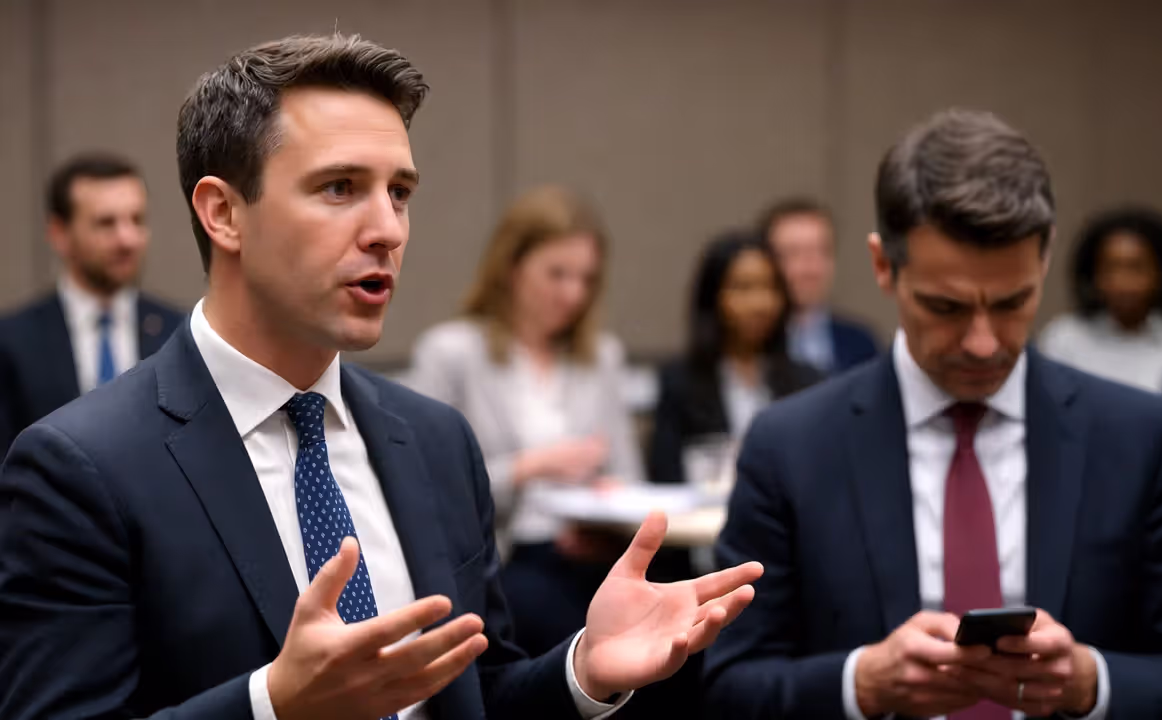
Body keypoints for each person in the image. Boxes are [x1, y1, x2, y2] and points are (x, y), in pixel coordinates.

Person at [0, 34, 762, 720]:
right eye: (339, 188)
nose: (388, 229)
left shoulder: (433, 441)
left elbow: (475, 691)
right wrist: (273, 706)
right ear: (223, 213)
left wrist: (581, 671)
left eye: (399, 192)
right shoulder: (82, 467)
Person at [704, 109, 1162, 719]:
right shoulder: (790, 446)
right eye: (946, 307)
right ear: (882, 266)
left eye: (1013, 302)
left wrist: (1091, 684)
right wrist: (860, 685)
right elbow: (729, 688)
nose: (983, 342)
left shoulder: (1140, 437)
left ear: (1046, 257)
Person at [406, 185, 645, 657]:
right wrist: (528, 467)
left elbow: (630, 478)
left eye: (586, 279)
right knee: (571, 627)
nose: (573, 293)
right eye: (557, 274)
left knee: (676, 619)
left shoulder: (601, 357)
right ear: (511, 268)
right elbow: (425, 487)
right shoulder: (452, 353)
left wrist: (608, 511)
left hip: (591, 551)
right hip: (505, 557)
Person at [0, 153, 183, 456]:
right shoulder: (14, 343)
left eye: (136, 220)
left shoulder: (178, 333)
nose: (127, 239)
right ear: (59, 234)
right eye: (106, 223)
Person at [648, 230, 822, 488]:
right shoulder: (680, 381)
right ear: (714, 297)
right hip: (700, 523)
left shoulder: (807, 382)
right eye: (743, 288)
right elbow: (664, 476)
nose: (759, 303)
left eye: (770, 287)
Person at [1038, 206, 1162, 392]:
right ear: (1092, 276)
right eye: (1109, 269)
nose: (1121, 282)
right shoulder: (1065, 338)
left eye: (1136, 268)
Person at [759, 198, 878, 375]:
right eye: (793, 254)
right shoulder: (751, 346)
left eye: (822, 252)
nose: (810, 269)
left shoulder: (861, 344)